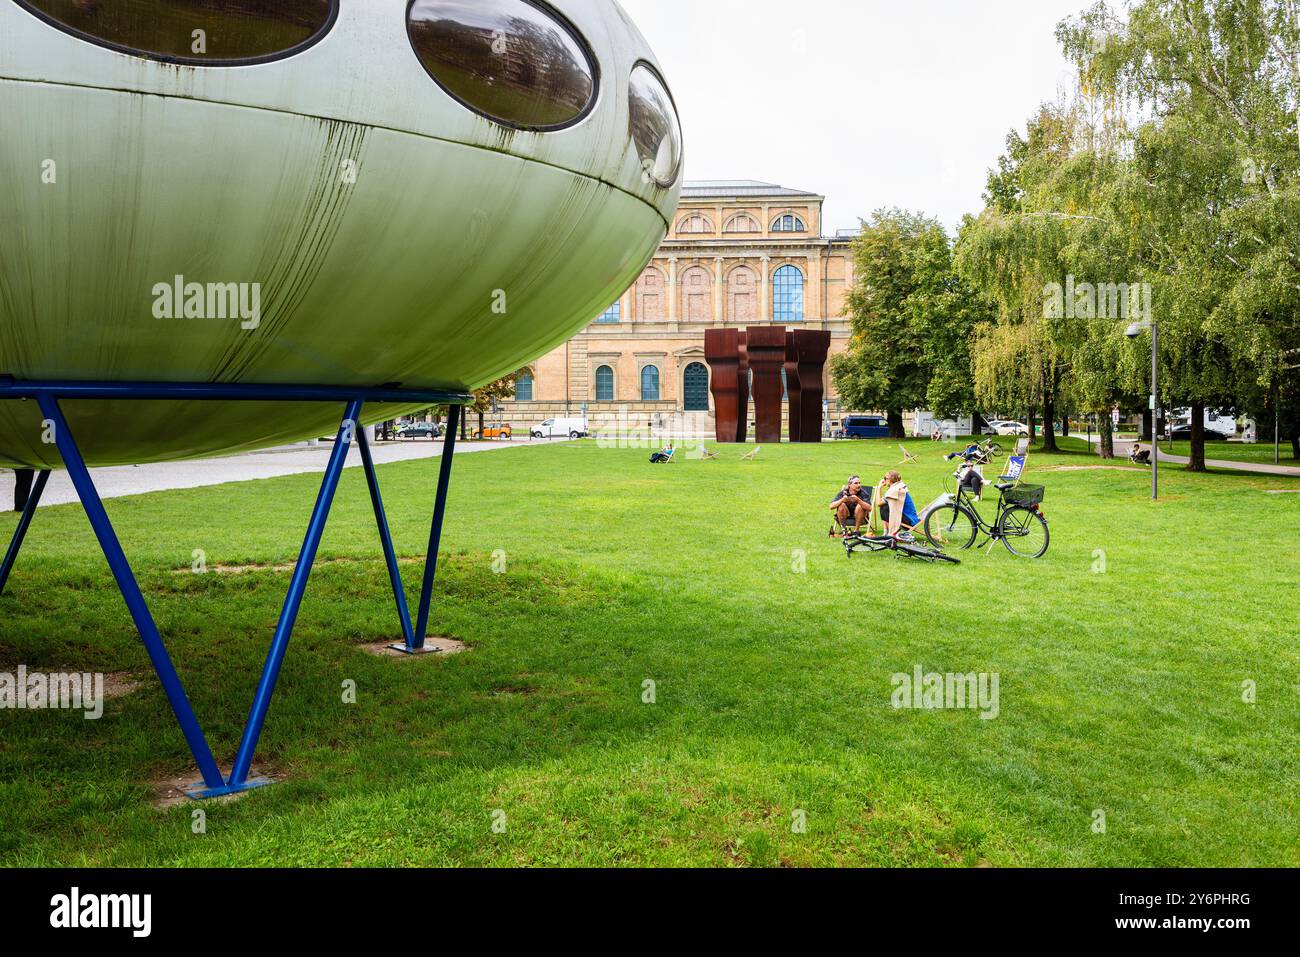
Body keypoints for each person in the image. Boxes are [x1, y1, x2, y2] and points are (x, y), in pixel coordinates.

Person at [876, 470, 920, 542]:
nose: (884, 480)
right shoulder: (899, 486)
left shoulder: (894, 491)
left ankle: (888, 533)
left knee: (884, 507)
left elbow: (878, 503)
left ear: (890, 480)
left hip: (909, 521)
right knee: (884, 506)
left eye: (885, 478)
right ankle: (886, 532)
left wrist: (879, 488)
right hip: (912, 519)